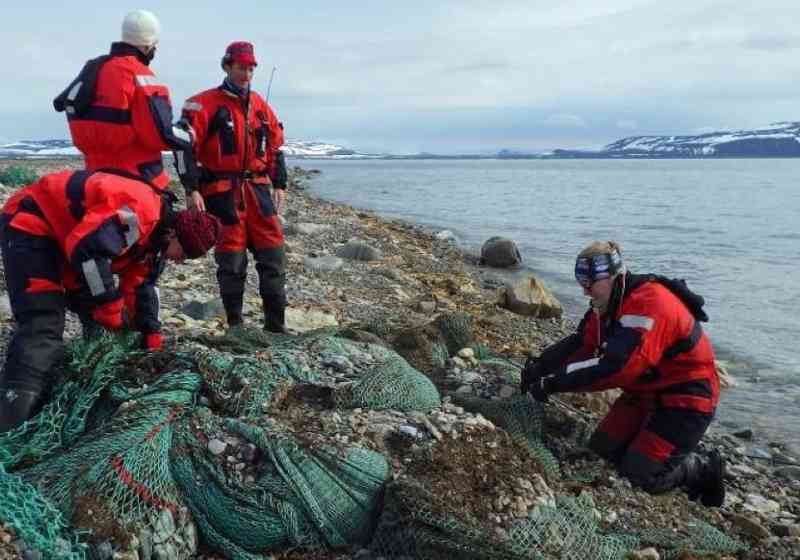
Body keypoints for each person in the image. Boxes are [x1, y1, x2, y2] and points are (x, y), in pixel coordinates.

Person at [0, 169, 221, 433]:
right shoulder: (139, 214)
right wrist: (109, 306)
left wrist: (151, 335)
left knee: (98, 319)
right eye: (183, 254)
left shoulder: (156, 244)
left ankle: (65, 387)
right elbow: (89, 254)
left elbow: (141, 287)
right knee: (43, 324)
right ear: (175, 234)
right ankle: (11, 422)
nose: (180, 261)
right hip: (32, 223)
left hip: (68, 241)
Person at [521, 241, 725, 507]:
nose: (584, 289)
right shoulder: (607, 303)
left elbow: (616, 368)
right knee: (602, 451)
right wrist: (540, 367)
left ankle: (702, 467)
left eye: (590, 281)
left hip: (686, 401)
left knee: (640, 475)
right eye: (580, 280)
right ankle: (660, 447)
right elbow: (583, 343)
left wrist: (551, 383)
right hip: (644, 394)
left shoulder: (648, 304)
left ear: (613, 275)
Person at [179, 41, 289, 332]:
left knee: (274, 258)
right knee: (231, 263)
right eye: (241, 67)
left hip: (259, 193)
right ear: (227, 66)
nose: (247, 73)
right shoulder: (201, 105)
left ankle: (276, 327)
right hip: (222, 195)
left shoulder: (262, 108)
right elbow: (183, 149)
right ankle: (236, 325)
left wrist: (280, 183)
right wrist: (191, 189)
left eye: (251, 68)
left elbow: (276, 146)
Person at [53, 9, 197, 191]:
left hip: (95, 181)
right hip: (138, 182)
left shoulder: (92, 70)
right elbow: (162, 135)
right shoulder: (141, 77)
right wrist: (188, 134)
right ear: (147, 46)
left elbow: (61, 104)